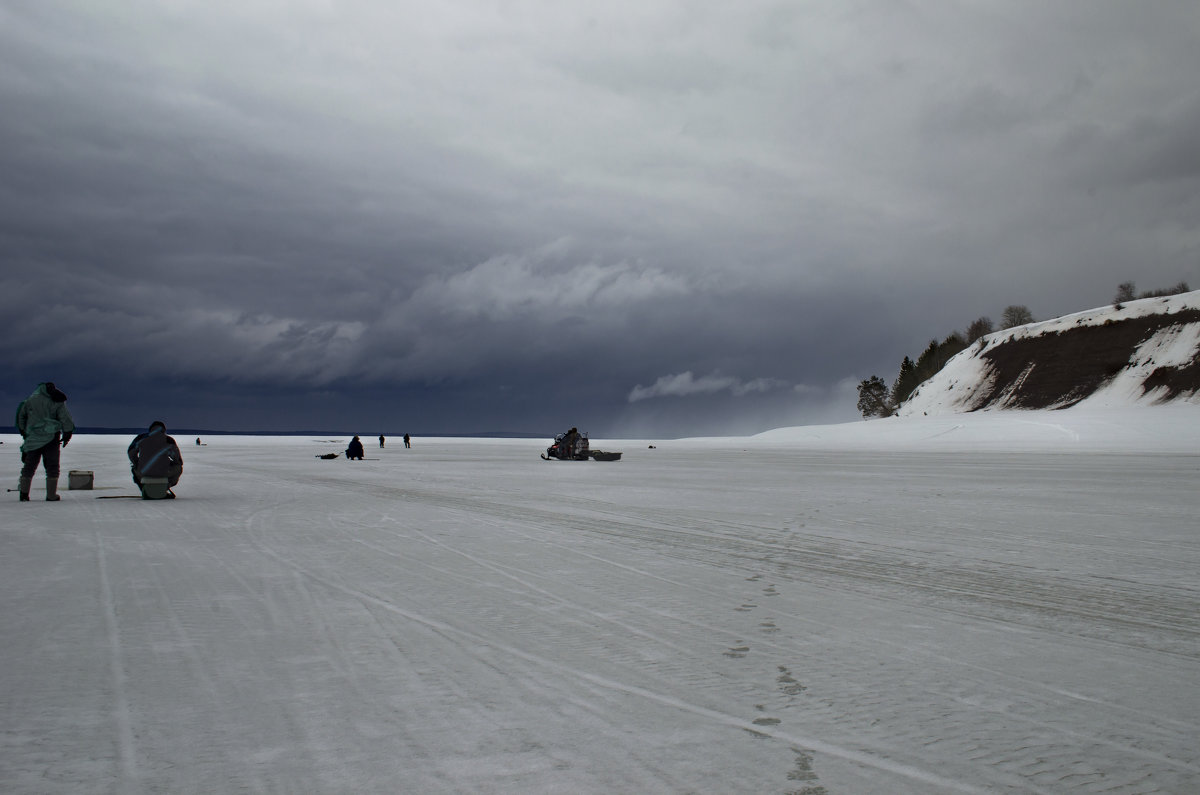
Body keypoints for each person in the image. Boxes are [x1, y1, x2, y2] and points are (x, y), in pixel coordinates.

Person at [15, 381, 75, 501]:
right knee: (52, 466)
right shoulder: (56, 400)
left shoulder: (30, 400)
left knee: (29, 466)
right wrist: (67, 432)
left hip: (33, 437)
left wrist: (24, 431)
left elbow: (21, 416)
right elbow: (65, 417)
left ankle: (24, 494)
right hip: (51, 437)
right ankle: (51, 495)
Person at [128, 421, 183, 499]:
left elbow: (131, 452)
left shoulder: (140, 438)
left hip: (143, 472)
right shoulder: (168, 440)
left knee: (134, 469)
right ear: (163, 430)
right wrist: (174, 464)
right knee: (178, 467)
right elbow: (177, 459)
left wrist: (137, 463)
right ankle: (165, 487)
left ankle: (144, 488)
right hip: (164, 472)